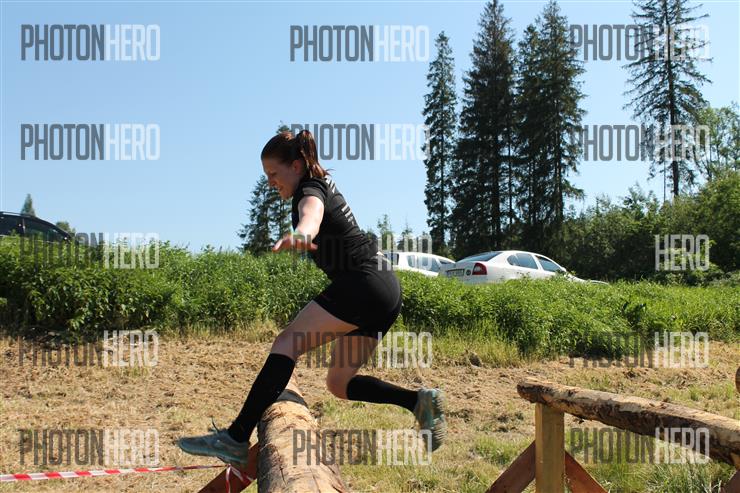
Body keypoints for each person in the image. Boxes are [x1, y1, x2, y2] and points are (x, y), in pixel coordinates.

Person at [177, 129, 445, 467]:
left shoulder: (310, 188)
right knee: (339, 383)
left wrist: (303, 233)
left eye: (273, 173)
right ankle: (418, 402)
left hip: (363, 283)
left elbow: (311, 214)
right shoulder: (319, 184)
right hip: (384, 289)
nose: (270, 182)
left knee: (287, 342)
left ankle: (236, 437)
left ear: (296, 165)